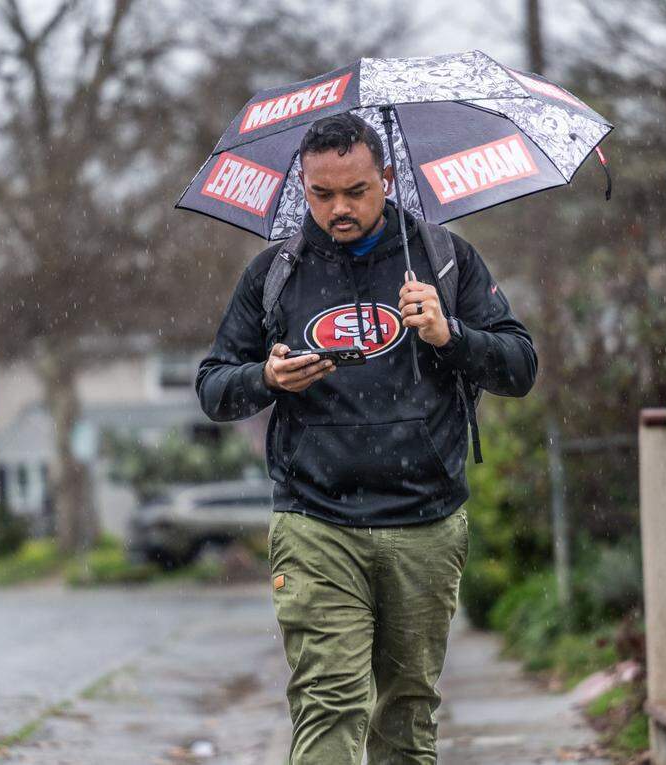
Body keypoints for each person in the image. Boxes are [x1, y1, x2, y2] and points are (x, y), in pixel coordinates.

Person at [195, 112, 537, 764]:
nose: (338, 208)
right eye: (321, 194)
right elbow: (214, 386)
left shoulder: (443, 259)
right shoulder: (278, 272)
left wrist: (450, 335)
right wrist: (265, 376)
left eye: (355, 190)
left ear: (386, 177)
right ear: (303, 184)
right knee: (331, 700)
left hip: (425, 519)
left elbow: (521, 366)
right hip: (316, 518)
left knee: (406, 711)